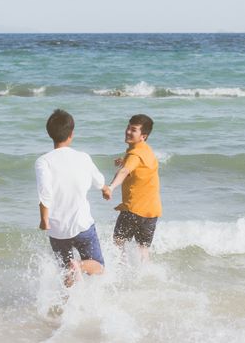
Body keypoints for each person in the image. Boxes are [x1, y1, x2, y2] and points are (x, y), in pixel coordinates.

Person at [35, 109, 108, 286]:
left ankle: (66, 307)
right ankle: (80, 265)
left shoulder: (43, 161)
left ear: (49, 133)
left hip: (57, 229)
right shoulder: (83, 157)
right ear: (71, 134)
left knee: (65, 272)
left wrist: (44, 219)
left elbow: (45, 192)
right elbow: (99, 182)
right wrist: (106, 189)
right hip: (82, 226)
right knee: (99, 267)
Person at [102, 114, 162, 263]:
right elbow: (140, 168)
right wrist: (124, 161)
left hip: (134, 210)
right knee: (143, 249)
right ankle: (145, 276)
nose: (128, 132)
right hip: (152, 211)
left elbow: (124, 172)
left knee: (118, 241)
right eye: (128, 128)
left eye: (133, 130)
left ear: (143, 136)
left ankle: (121, 271)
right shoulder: (147, 151)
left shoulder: (134, 154)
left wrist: (111, 187)